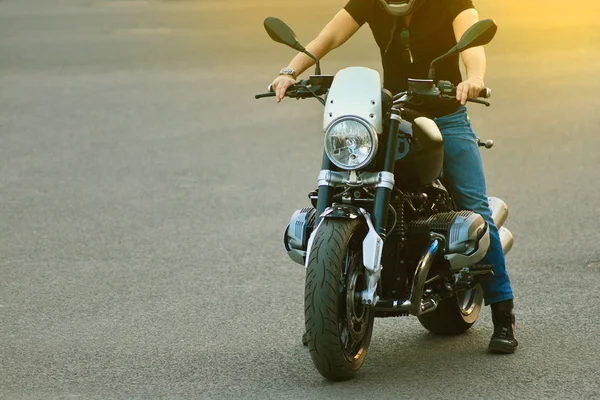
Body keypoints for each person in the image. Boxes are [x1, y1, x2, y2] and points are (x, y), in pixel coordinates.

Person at [270, 0, 518, 354]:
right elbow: (329, 36)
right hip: (393, 113)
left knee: (473, 202)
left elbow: (472, 43)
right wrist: (290, 70)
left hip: (446, 114)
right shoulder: (369, 2)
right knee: (350, 184)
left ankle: (504, 313)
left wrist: (474, 78)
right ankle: (324, 314)